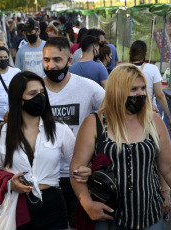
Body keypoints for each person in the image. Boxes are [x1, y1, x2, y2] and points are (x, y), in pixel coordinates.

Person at [70, 64, 171, 230]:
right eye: (134, 89)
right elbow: (75, 169)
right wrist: (88, 205)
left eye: (143, 88)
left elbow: (170, 167)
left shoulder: (154, 122)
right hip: (108, 219)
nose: (141, 94)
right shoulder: (95, 123)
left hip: (149, 217)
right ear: (117, 91)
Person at [0, 71, 76, 229]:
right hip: (17, 206)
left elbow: (77, 163)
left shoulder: (60, 129)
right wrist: (10, 185)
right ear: (18, 99)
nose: (40, 98)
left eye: (42, 93)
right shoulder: (1, 134)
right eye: (33, 93)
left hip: (53, 204)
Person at [43, 36, 105, 230]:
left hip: (78, 176)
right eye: (46, 60)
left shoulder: (89, 88)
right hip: (44, 176)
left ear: (70, 61)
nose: (51, 65)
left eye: (57, 60)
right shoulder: (34, 89)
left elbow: (113, 115)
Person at [130, 40, 171, 130]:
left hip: (128, 113)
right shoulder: (152, 69)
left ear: (130, 53)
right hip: (148, 114)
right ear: (145, 54)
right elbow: (159, 95)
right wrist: (169, 117)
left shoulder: (122, 69)